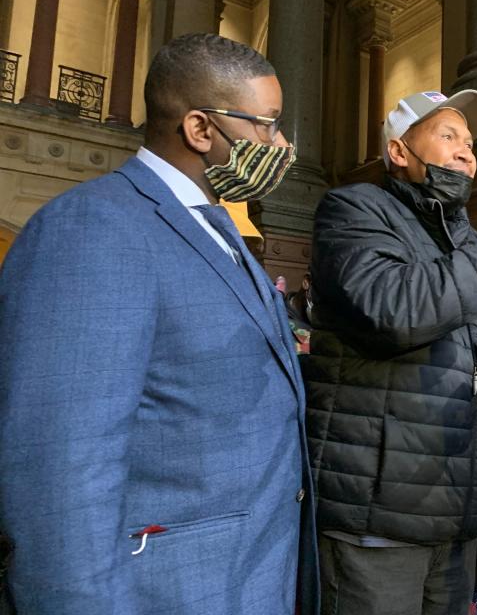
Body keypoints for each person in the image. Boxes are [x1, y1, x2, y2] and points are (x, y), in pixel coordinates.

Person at [0, 33, 319, 614]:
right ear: (201, 129)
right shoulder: (94, 229)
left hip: (246, 579)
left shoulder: (214, 227)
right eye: (267, 125)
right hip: (166, 590)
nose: (282, 144)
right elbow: (60, 469)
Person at [303, 90, 477, 615]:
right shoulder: (355, 208)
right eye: (448, 136)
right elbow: (390, 310)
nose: (466, 152)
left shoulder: (467, 243)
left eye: (470, 143)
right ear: (399, 152)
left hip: (457, 510)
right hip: (377, 515)